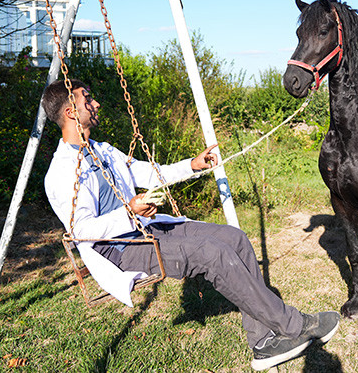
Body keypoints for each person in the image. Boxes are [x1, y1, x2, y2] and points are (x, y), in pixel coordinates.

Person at [42, 79, 340, 370]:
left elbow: (147, 173)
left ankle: (262, 343)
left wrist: (192, 165)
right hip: (120, 250)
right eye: (87, 99)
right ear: (70, 112)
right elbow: (80, 231)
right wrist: (130, 213)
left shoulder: (103, 149)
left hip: (146, 228)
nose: (95, 104)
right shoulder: (62, 171)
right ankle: (294, 324)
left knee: (234, 238)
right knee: (212, 252)